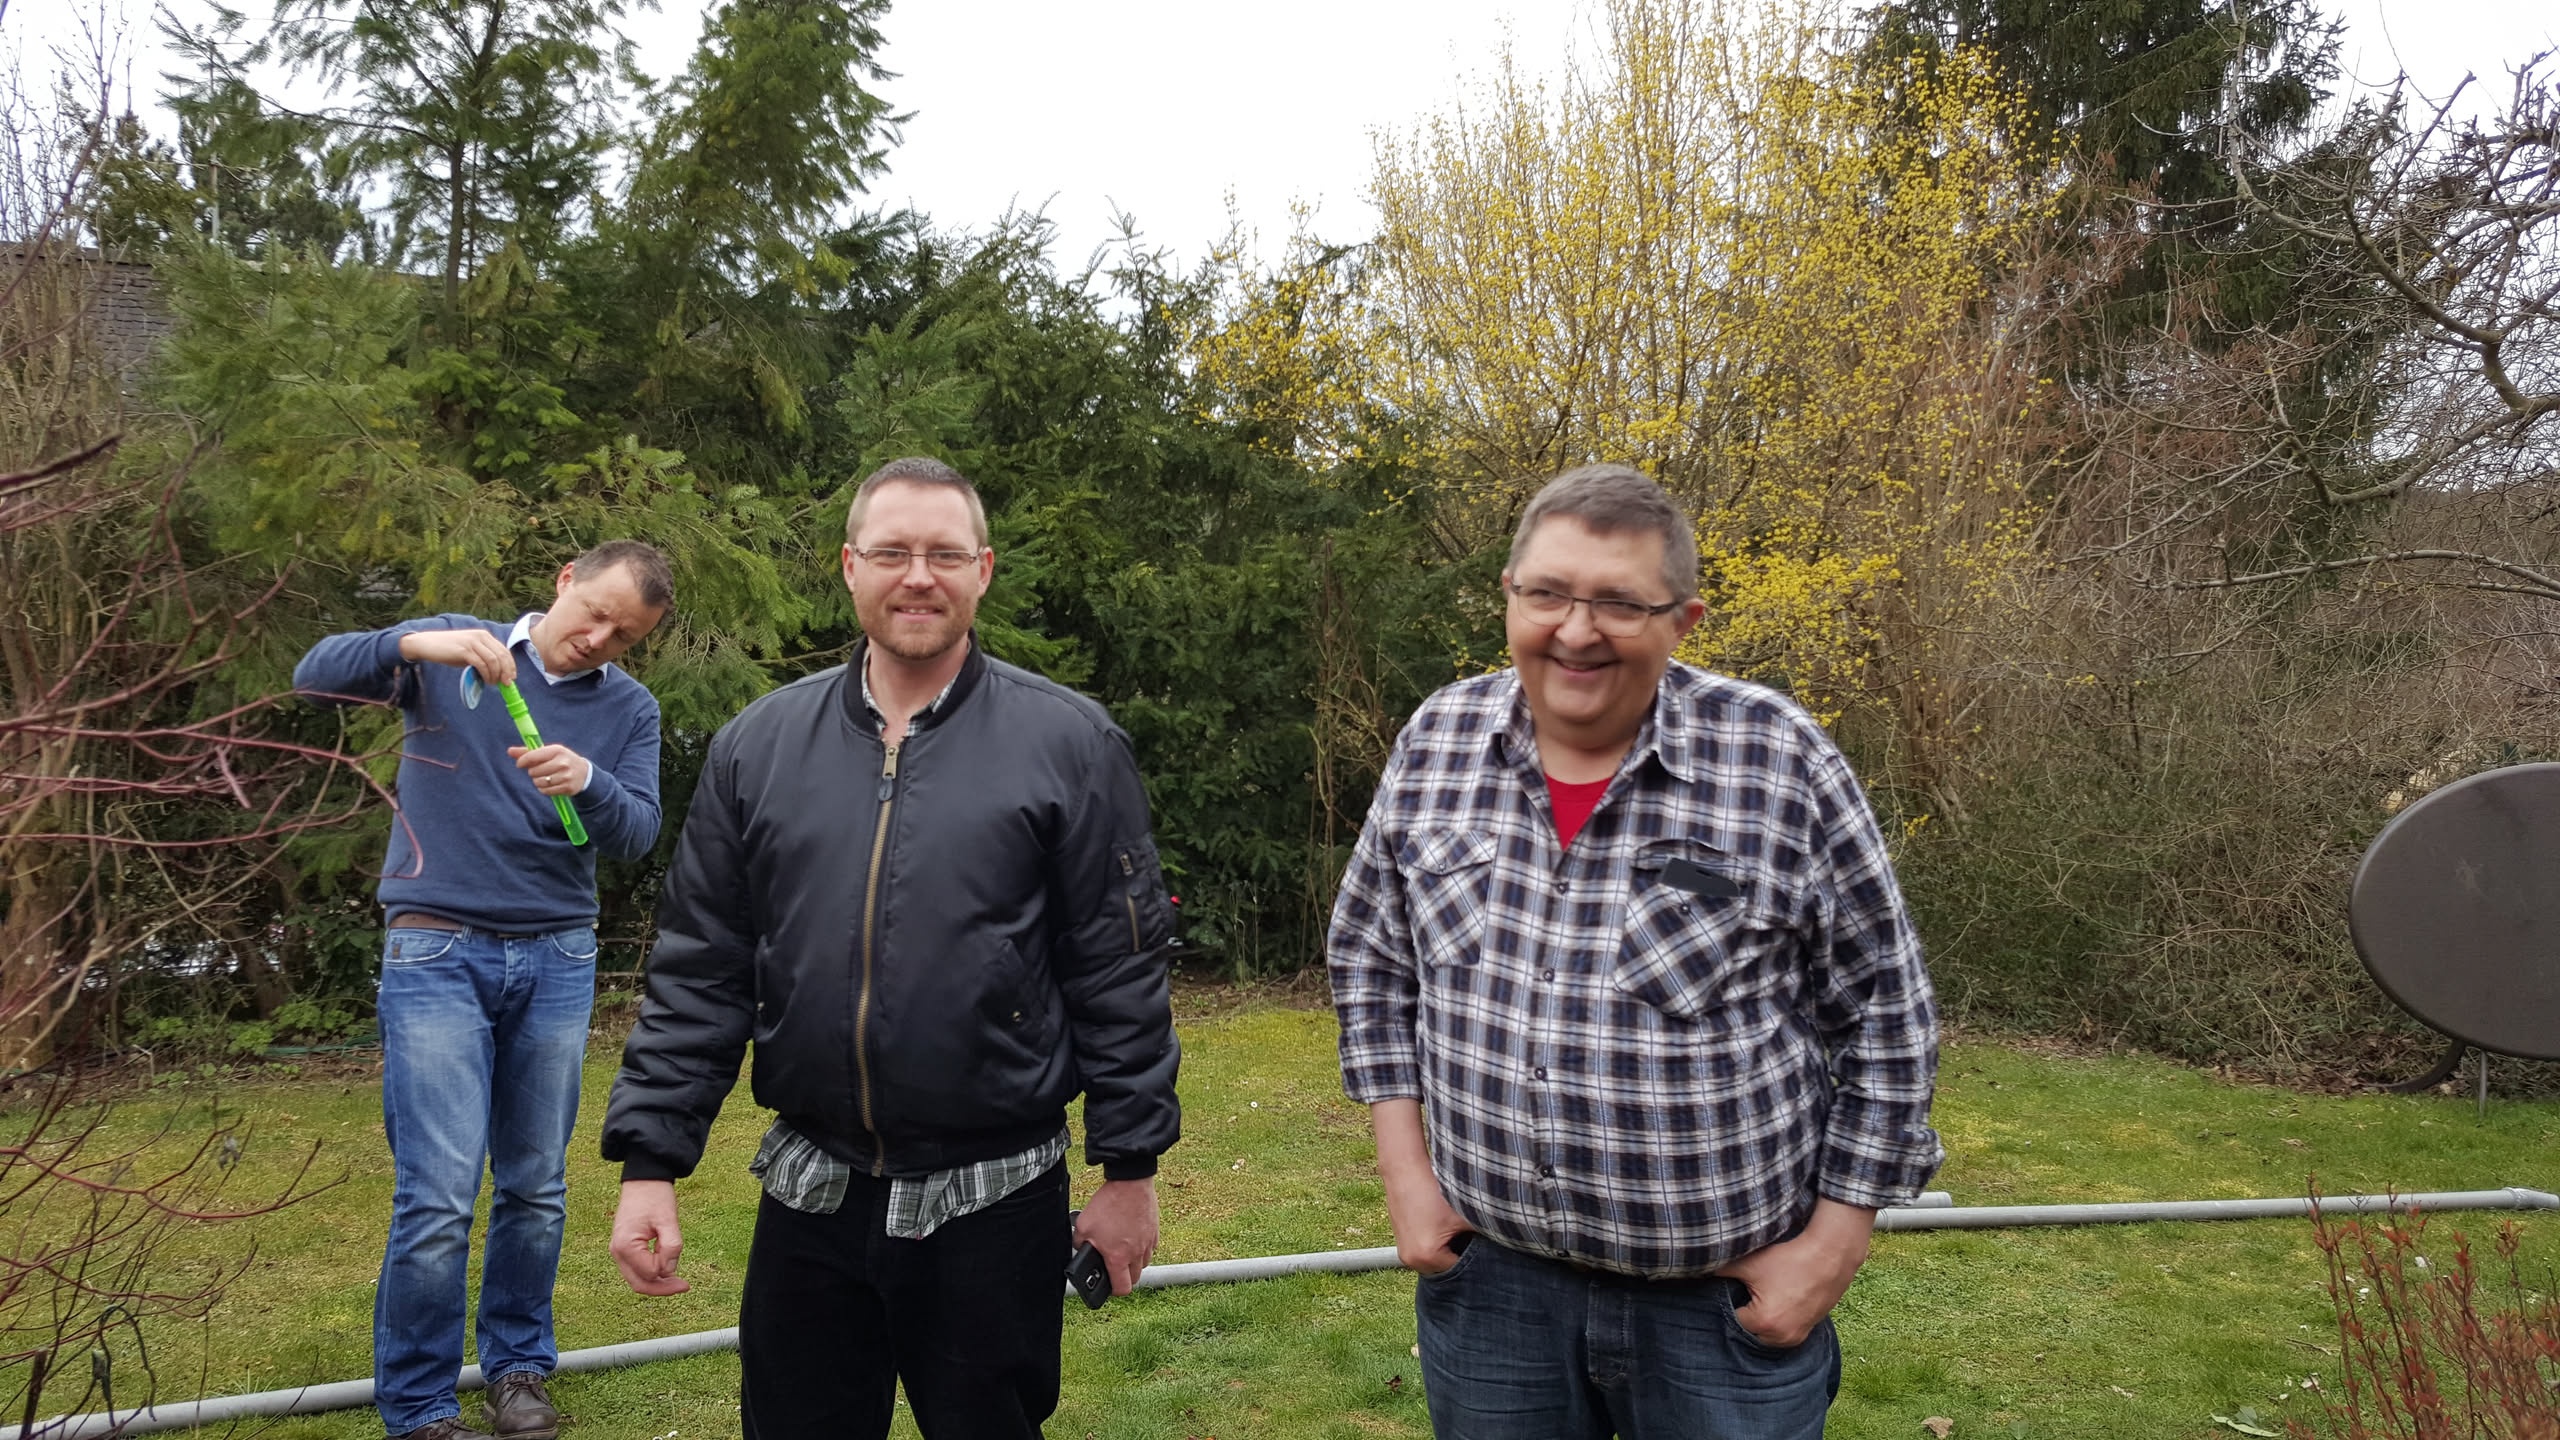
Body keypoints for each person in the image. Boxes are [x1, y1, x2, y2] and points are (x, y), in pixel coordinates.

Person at [1327, 464, 1942, 1440]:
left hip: (1720, 1316)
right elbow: (1372, 958)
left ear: (1682, 621)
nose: (1576, 631)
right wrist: (1406, 1176)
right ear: (1508, 596)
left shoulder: (1778, 761)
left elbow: (1887, 1019)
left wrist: (1835, 1244)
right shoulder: (1437, 739)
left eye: (1619, 603)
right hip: (1494, 1296)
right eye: (1547, 594)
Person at [600, 456, 1181, 1440]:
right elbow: (703, 966)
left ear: (982, 571)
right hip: (811, 1198)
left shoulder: (1072, 745)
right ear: (850, 567)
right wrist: (650, 1161)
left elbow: (1118, 969)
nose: (919, 576)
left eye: (944, 554)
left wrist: (1130, 1171)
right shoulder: (756, 748)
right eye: (893, 552)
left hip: (996, 1201)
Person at [293, 540, 675, 1440]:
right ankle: (419, 1408)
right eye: (596, 614)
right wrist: (412, 645)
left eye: (624, 635)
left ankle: (518, 1370)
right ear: (566, 580)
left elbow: (637, 832)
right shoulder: (452, 649)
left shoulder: (630, 708)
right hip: (436, 949)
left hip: (558, 955)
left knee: (536, 1186)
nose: (600, 640)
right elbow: (314, 677)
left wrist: (590, 783)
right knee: (437, 1195)